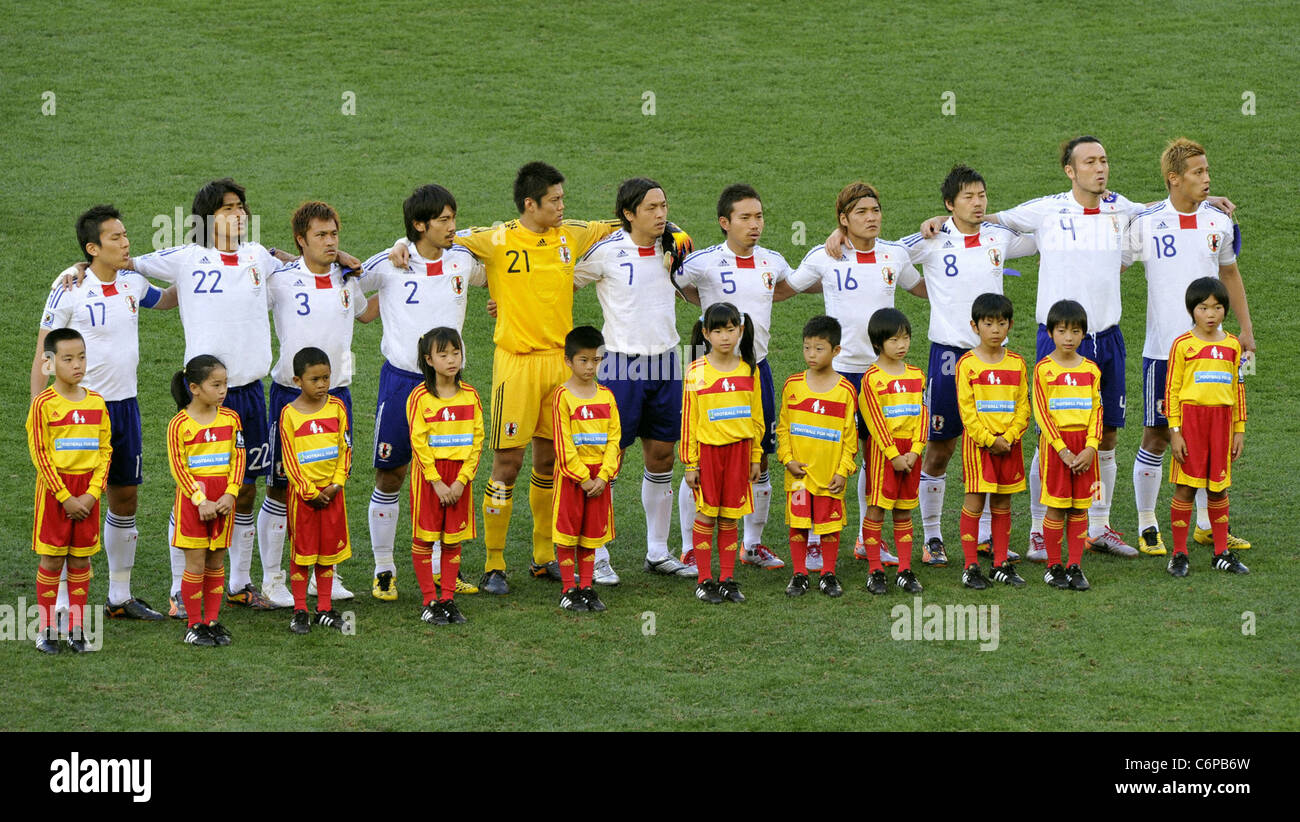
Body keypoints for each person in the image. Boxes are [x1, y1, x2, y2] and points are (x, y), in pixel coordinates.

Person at [392, 163, 625, 594]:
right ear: (529, 204)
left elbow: (622, 222)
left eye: (562, 198)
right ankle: (495, 563)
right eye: (554, 200)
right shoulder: (495, 239)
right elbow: (437, 237)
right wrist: (400, 244)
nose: (561, 205)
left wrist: (673, 230)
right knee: (507, 464)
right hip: (515, 365)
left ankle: (542, 556)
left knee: (551, 462)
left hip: (560, 364)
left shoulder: (570, 234)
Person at [128, 179, 283, 612]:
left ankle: (238, 583)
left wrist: (341, 257)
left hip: (251, 392)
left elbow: (294, 263)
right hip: (204, 402)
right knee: (194, 491)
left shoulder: (258, 256)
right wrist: (80, 269)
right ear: (206, 218)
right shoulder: (186, 257)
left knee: (246, 488)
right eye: (226, 208)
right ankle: (181, 589)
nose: (237, 213)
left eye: (240, 206)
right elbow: (127, 263)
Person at [33, 205, 176, 623]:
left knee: (125, 496)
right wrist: (37, 410)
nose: (126, 242)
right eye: (115, 238)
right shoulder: (69, 286)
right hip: (77, 412)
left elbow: (165, 301)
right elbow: (44, 352)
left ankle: (119, 595)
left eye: (126, 235)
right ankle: (61, 601)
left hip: (125, 405)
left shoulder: (133, 281)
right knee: (71, 500)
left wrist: (188, 273)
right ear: (93, 248)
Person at [780, 182, 927, 570]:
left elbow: (921, 287)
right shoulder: (824, 256)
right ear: (844, 219)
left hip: (883, 376)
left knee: (875, 457)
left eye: (876, 210)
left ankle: (865, 537)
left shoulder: (894, 254)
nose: (872, 217)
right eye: (861, 212)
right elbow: (785, 289)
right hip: (840, 377)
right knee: (823, 453)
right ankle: (813, 537)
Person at [1129, 138, 1255, 556]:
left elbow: (1231, 274)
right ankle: (1147, 523)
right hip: (1163, 350)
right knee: (1157, 435)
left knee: (1210, 432)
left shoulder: (1218, 222)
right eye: (1198, 173)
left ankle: (1206, 525)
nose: (1207, 178)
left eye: (1207, 171)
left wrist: (1246, 329)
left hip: (1213, 350)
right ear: (1174, 178)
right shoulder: (1146, 222)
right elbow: (1116, 254)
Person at [362, 184, 484, 601]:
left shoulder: (463, 259)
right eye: (444, 220)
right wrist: (398, 246)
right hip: (403, 382)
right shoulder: (389, 263)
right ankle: (383, 569)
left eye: (454, 218)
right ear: (419, 225)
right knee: (391, 473)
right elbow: (345, 280)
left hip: (449, 387)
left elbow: (500, 267)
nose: (453, 227)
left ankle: (439, 570)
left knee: (448, 474)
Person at [572, 177, 695, 582]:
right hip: (621, 366)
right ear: (628, 213)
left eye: (664, 206)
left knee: (662, 456)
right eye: (651, 208)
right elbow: (561, 281)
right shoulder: (606, 252)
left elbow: (693, 288)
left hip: (666, 362)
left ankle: (658, 551)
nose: (661, 214)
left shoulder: (675, 245)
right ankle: (599, 551)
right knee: (608, 460)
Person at [261, 202, 377, 609]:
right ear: (301, 239)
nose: (330, 243)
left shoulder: (347, 278)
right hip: (289, 398)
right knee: (281, 485)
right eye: (321, 236)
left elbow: (365, 316)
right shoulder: (279, 279)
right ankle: (274, 577)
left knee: (330, 481)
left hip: (338, 396)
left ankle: (322, 570)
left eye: (334, 235)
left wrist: (398, 284)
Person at [674, 184, 793, 572]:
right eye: (745, 218)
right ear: (725, 223)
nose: (754, 224)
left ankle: (752, 544)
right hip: (706, 365)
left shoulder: (772, 261)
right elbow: (676, 283)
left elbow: (790, 287)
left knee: (759, 452)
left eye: (758, 216)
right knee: (701, 458)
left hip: (755, 367)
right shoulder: (703, 261)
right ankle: (691, 547)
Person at [27, 328, 112, 653]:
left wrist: (91, 494)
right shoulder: (44, 405)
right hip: (55, 494)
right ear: (49, 363)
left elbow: (105, 450)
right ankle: (46, 630)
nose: (77, 364)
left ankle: (76, 630)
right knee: (51, 561)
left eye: (82, 357)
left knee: (80, 562)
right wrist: (65, 497)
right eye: (68, 359)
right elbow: (41, 454)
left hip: (86, 495)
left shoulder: (96, 402)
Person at [680, 302, 764, 605]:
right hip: (709, 454)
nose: (725, 337)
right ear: (706, 334)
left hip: (740, 455)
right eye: (717, 331)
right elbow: (688, 420)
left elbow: (757, 419)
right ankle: (704, 579)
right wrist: (691, 462)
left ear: (740, 330)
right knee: (706, 514)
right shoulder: (696, 371)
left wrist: (755, 457)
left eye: (730, 330)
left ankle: (727, 578)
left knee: (730, 517)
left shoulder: (748, 370)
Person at [1165, 278, 1249, 577]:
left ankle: (1221, 553)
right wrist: (1175, 433)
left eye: (1217, 307)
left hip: (1222, 424)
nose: (1211, 314)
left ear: (1225, 310)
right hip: (1191, 423)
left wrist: (1239, 430)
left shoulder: (1231, 346)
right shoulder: (1182, 345)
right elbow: (1172, 391)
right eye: (1203, 308)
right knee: (1186, 487)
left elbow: (1238, 389)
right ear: (1192, 311)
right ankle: (1178, 553)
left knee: (1219, 488)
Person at [775, 315, 859, 598]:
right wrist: (787, 459)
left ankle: (828, 573)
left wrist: (843, 470)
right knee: (798, 524)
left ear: (836, 351)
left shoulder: (846, 391)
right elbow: (783, 428)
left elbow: (851, 438)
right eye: (807, 347)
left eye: (819, 348)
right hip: (798, 477)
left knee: (829, 526)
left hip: (829, 475)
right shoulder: (793, 385)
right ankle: (799, 573)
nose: (811, 354)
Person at [406, 327, 485, 625]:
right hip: (431, 478)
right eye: (443, 354)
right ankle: (429, 600)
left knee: (453, 540)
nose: (452, 360)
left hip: (458, 479)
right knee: (424, 539)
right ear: (429, 359)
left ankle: (448, 598)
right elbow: (418, 441)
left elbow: (478, 440)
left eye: (456, 353)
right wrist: (436, 481)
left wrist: (462, 480)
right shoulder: (419, 397)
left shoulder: (471, 396)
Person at [165, 355, 245, 647]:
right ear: (195, 388)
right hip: (193, 505)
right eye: (216, 384)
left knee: (216, 563)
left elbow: (239, 458)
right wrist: (200, 500)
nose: (223, 390)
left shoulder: (231, 419)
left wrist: (231, 493)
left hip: (223, 501)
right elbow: (179, 467)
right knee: (196, 565)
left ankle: (211, 620)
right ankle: (193, 624)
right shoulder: (179, 424)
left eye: (225, 384)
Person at [954, 294, 1030, 589]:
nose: (996, 330)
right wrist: (988, 439)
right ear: (975, 326)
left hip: (1009, 446)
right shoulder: (967, 365)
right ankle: (971, 565)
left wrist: (1008, 437)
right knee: (974, 502)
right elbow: (966, 410)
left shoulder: (1017, 363)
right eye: (989, 323)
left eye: (1001, 323)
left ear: (1010, 325)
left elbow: (1024, 406)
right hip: (979, 448)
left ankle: (1000, 563)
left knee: (1002, 503)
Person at [279, 347, 353, 634]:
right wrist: (309, 491)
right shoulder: (288, 415)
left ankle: (324, 607)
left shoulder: (337, 407)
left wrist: (336, 484)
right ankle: (300, 609)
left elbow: (345, 449)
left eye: (326, 378)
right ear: (298, 381)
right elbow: (289, 460)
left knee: (326, 555)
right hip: (304, 499)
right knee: (302, 554)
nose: (322, 384)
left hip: (333, 494)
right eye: (315, 379)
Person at [856, 309, 928, 596]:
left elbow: (923, 414)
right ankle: (875, 570)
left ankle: (905, 569)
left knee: (904, 510)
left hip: (911, 452)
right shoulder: (871, 378)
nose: (902, 345)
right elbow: (873, 420)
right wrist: (893, 454)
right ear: (878, 343)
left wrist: (915, 450)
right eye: (895, 339)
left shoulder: (916, 375)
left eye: (906, 338)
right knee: (876, 509)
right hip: (884, 454)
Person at [551, 326, 623, 612]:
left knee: (591, 536)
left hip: (599, 480)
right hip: (573, 480)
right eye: (584, 360)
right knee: (569, 535)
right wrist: (583, 477)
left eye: (596, 360)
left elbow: (614, 439)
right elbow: (563, 443)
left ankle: (587, 587)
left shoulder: (607, 397)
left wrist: (604, 476)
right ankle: (570, 588)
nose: (590, 366)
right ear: (568, 361)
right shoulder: (562, 397)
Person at [1032, 300, 1103, 591]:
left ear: (1083, 334)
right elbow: (1042, 413)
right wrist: (1062, 450)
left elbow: (1098, 410)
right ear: (1050, 333)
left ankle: (1075, 565)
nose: (1069, 337)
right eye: (1062, 331)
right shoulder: (1043, 370)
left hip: (1084, 448)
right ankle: (1053, 566)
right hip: (1056, 449)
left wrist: (1090, 447)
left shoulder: (1091, 370)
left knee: (1079, 509)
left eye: (1075, 331)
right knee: (1056, 508)